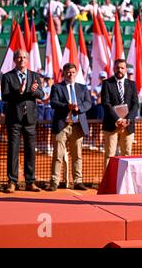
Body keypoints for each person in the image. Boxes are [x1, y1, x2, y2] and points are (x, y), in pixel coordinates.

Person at [1, 49, 44, 193]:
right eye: (19, 57)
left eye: (24, 57)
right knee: (13, 150)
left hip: (30, 119)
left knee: (30, 150)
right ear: (15, 60)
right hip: (14, 119)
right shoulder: (7, 77)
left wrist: (33, 91)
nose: (22, 60)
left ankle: (30, 181)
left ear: (28, 60)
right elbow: (5, 97)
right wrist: (19, 91)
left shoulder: (35, 76)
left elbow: (42, 95)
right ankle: (12, 182)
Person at [46, 63, 92, 191]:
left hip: (78, 126)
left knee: (77, 155)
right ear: (64, 73)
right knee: (58, 155)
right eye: (68, 72)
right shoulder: (56, 87)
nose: (70, 74)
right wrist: (68, 107)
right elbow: (53, 103)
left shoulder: (82, 88)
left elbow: (89, 103)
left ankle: (78, 181)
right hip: (62, 125)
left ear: (76, 73)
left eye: (73, 72)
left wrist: (78, 108)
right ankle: (54, 181)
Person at [101, 59, 139, 169]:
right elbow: (106, 103)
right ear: (114, 68)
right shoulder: (107, 83)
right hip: (111, 125)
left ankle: (125, 183)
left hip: (128, 126)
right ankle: (108, 184)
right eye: (117, 68)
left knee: (127, 155)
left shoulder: (131, 84)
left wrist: (127, 120)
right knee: (109, 155)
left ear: (126, 69)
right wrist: (117, 119)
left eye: (122, 68)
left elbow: (135, 104)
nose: (120, 70)